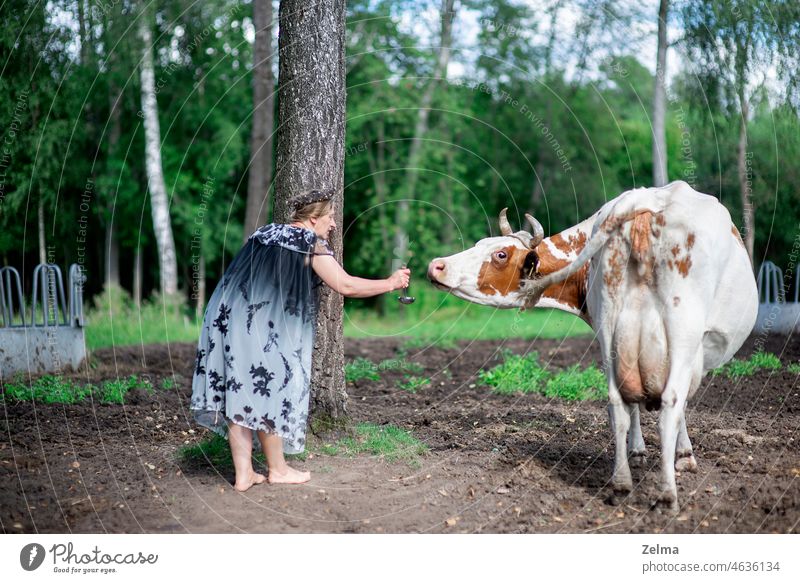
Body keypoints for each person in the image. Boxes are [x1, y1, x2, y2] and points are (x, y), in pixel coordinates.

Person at [190, 189, 410, 491]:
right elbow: (345, 284)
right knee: (269, 391)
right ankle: (278, 470)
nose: (333, 224)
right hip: (263, 326)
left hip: (228, 318)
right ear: (313, 218)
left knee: (239, 393)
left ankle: (244, 474)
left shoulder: (266, 232)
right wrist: (391, 283)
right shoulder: (309, 242)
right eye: (330, 217)